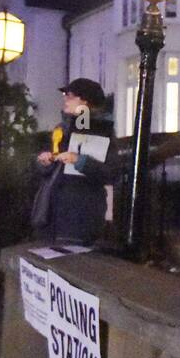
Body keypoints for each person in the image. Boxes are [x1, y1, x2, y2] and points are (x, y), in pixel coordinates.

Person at [32, 78, 120, 245]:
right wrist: (45, 161)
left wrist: (79, 161)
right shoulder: (61, 128)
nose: (65, 99)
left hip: (80, 215)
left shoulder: (102, 132)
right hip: (51, 213)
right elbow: (51, 163)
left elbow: (110, 172)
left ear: (85, 102)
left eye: (70, 96)